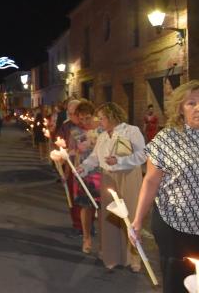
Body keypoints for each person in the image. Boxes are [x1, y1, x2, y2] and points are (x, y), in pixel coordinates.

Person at [131, 80, 199, 293]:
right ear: (180, 107)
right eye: (191, 103)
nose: (198, 107)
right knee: (178, 282)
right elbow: (151, 181)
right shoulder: (166, 139)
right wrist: (137, 220)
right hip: (175, 225)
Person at [78, 102, 145, 271]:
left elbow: (143, 155)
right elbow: (95, 157)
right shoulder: (102, 136)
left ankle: (134, 258)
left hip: (128, 175)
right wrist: (84, 167)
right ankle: (112, 256)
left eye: (102, 118)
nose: (99, 121)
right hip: (107, 177)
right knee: (110, 217)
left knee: (129, 216)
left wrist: (120, 160)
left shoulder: (131, 131)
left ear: (113, 116)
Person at [68, 100, 101, 254]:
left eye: (87, 118)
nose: (84, 122)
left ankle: (105, 242)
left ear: (93, 116)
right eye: (81, 119)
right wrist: (65, 155)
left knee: (103, 209)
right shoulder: (76, 131)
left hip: (101, 172)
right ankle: (86, 238)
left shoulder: (102, 129)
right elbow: (72, 151)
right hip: (84, 173)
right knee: (86, 206)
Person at [57, 99, 82, 235]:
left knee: (86, 198)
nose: (72, 116)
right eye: (70, 113)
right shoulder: (66, 126)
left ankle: (88, 224)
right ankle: (77, 225)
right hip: (70, 166)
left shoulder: (86, 125)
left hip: (85, 167)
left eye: (74, 113)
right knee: (72, 196)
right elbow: (59, 142)